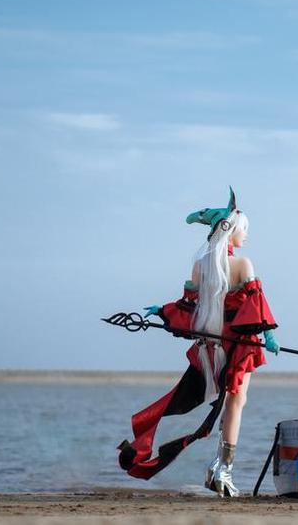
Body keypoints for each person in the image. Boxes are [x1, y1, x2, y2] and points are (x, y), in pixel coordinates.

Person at [116, 187, 280, 498]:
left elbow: (187, 306)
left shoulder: (200, 265)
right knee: (236, 402)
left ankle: (220, 468)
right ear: (231, 232)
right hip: (241, 343)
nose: (245, 237)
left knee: (229, 401)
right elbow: (257, 303)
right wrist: (269, 334)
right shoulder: (243, 265)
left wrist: (163, 312)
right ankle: (222, 469)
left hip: (214, 343)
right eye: (244, 231)